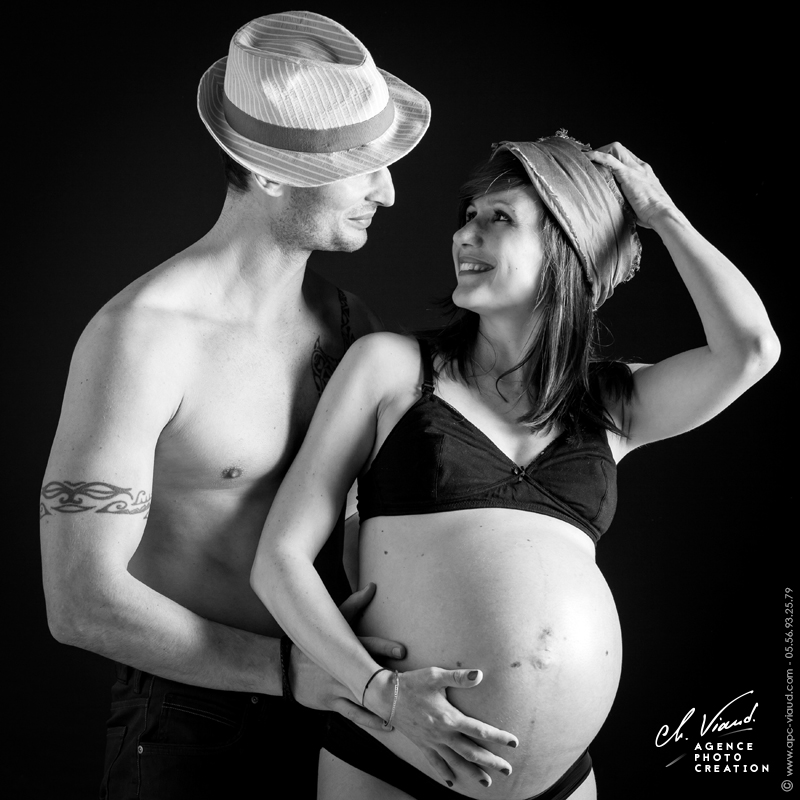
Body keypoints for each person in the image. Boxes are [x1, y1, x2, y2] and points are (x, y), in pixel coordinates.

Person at [38, 11, 510, 799]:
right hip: (200, 722)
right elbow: (80, 601)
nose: (388, 192)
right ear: (268, 172)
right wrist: (299, 674)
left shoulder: (353, 322)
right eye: (362, 166)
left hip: (346, 706)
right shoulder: (143, 338)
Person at [251, 132, 780, 799]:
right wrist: (380, 692)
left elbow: (751, 350)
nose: (465, 235)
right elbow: (280, 558)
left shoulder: (614, 406)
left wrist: (663, 215)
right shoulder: (392, 368)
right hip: (396, 752)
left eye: (498, 218)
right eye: (468, 216)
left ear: (568, 254)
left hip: (562, 779)